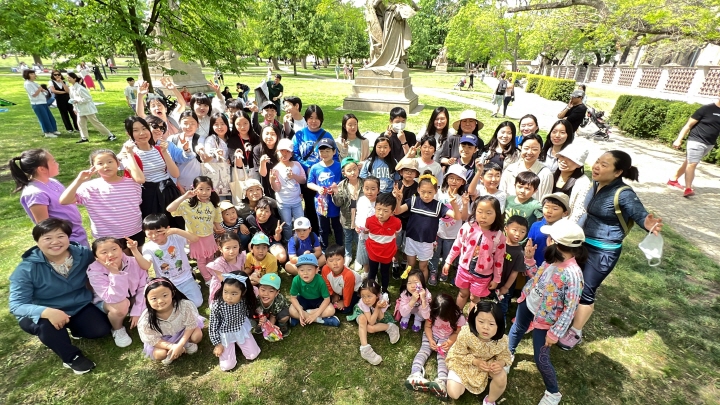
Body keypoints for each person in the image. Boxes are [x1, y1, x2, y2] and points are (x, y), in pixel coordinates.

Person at [559, 151, 662, 351]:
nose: (597, 166)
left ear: (618, 172)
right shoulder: (596, 184)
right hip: (581, 244)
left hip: (603, 252)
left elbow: (637, 211)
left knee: (587, 289)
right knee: (571, 280)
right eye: (598, 161)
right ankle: (565, 314)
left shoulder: (623, 193)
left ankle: (575, 331)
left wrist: (646, 222)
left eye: (604, 165)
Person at [9, 218, 112, 374]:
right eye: (47, 238)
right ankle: (71, 357)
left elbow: (105, 262)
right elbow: (16, 305)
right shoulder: (26, 269)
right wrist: (47, 312)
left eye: (60, 236)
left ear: (68, 237)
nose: (55, 242)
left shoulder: (83, 254)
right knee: (46, 327)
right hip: (42, 311)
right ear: (37, 241)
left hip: (78, 305)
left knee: (100, 330)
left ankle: (74, 328)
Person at [508, 219, 586, 405]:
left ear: (554, 242)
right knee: (517, 328)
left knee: (540, 357)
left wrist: (555, 332)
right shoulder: (552, 260)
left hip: (546, 320)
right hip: (528, 303)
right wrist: (529, 259)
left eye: (549, 237)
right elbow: (536, 277)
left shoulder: (573, 275)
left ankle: (553, 393)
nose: (547, 239)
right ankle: (508, 354)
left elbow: (570, 308)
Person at [60, 148, 145, 244]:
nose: (106, 166)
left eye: (110, 162)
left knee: (136, 258)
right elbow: (64, 200)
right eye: (100, 163)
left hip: (135, 231)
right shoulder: (89, 187)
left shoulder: (132, 183)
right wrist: (79, 180)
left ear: (117, 163)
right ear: (93, 167)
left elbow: (138, 193)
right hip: (106, 237)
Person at [394, 170, 463, 283]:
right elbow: (397, 211)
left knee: (423, 267)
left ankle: (422, 289)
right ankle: (407, 286)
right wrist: (398, 199)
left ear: (435, 191)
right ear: (418, 190)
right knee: (410, 265)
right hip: (411, 240)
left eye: (430, 192)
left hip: (426, 243)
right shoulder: (414, 201)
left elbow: (457, 216)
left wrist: (454, 203)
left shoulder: (438, 206)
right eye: (423, 192)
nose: (426, 195)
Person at [11, 149, 89, 247]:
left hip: (78, 233)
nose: (57, 164)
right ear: (41, 169)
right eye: (53, 161)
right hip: (64, 241)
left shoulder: (52, 181)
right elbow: (45, 226)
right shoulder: (35, 193)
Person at [87, 237, 150, 347]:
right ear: (96, 257)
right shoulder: (94, 271)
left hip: (133, 296)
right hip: (110, 302)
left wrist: (136, 311)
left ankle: (140, 316)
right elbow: (113, 298)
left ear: (121, 249)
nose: (110, 254)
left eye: (114, 249)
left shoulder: (134, 262)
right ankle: (118, 329)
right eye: (104, 252)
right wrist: (115, 274)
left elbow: (143, 287)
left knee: (153, 295)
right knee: (121, 305)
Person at [444, 196, 506, 309]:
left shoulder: (499, 236)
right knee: (462, 294)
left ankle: (472, 319)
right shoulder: (468, 227)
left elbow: (499, 260)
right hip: (464, 269)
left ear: (497, 214)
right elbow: (457, 245)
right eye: (480, 211)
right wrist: (448, 261)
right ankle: (457, 314)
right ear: (474, 211)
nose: (483, 216)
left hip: (482, 275)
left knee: (474, 298)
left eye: (488, 213)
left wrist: (497, 279)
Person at [123, 116, 185, 229]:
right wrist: (130, 155)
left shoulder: (158, 149)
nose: (142, 133)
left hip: (169, 191)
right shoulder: (130, 154)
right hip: (151, 195)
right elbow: (140, 179)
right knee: (158, 229)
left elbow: (175, 174)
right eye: (135, 130)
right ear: (129, 133)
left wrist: (165, 153)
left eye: (144, 128)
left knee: (179, 225)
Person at [445, 302, 510, 404]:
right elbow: (459, 354)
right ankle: (458, 379)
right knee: (454, 393)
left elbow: (504, 355)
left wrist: (500, 363)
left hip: (487, 365)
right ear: (473, 319)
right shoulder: (466, 334)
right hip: (464, 362)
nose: (485, 327)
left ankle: (490, 400)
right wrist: (476, 362)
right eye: (481, 321)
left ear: (499, 324)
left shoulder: (502, 340)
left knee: (501, 377)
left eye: (491, 324)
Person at [405, 293, 465, 400]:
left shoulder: (458, 317)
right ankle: (415, 374)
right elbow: (427, 327)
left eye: (446, 318)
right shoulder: (432, 313)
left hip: (446, 339)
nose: (443, 319)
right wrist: (431, 339)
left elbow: (457, 333)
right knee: (423, 351)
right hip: (431, 335)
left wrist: (449, 342)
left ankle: (441, 382)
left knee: (443, 358)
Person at [167, 176, 223, 285]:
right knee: (201, 260)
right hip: (195, 239)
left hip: (209, 237)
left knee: (210, 258)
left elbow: (217, 221)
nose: (204, 192)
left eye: (207, 189)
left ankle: (211, 274)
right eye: (200, 189)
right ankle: (207, 279)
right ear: (194, 189)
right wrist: (185, 196)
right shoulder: (188, 204)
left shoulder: (213, 204)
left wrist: (219, 230)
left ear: (211, 189)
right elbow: (169, 209)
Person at [137, 278, 204, 365]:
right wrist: (172, 346)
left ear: (172, 293)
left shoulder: (184, 306)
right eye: (154, 298)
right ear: (147, 300)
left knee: (197, 336)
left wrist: (180, 344)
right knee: (160, 354)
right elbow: (152, 339)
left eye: (165, 295)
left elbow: (191, 325)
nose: (160, 301)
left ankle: (187, 343)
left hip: (184, 332)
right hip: (163, 340)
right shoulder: (146, 319)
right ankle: (172, 350)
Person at [293, 105, 338, 232]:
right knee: (309, 202)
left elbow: (335, 155)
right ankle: (313, 228)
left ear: (321, 120)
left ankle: (325, 227)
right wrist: (307, 166)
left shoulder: (326, 135)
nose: (313, 121)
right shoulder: (299, 135)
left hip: (323, 176)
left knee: (324, 200)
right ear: (306, 118)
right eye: (310, 118)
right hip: (305, 175)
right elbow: (295, 154)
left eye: (317, 118)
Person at [142, 214, 203, 307]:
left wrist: (176, 231)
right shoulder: (148, 247)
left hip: (186, 278)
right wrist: (134, 250)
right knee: (168, 306)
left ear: (167, 229)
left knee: (197, 303)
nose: (154, 236)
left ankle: (194, 286)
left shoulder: (176, 237)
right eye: (149, 233)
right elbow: (146, 266)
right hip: (166, 283)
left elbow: (195, 238)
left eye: (158, 231)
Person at [668, 95, 720, 197]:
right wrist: (679, 139)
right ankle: (688, 188)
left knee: (689, 162)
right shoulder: (706, 109)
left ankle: (673, 179)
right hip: (696, 140)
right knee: (692, 164)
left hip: (709, 144)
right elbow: (688, 125)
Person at [209, 272, 261, 370]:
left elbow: (252, 306)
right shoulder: (217, 305)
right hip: (225, 334)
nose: (228, 297)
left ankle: (238, 343)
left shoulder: (244, 300)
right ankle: (232, 345)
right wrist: (218, 344)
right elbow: (213, 326)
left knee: (253, 354)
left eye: (234, 293)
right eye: (225, 292)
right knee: (227, 366)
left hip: (241, 329)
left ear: (243, 292)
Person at [431, 165, 470, 285]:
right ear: (446, 178)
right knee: (434, 253)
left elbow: (464, 217)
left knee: (448, 254)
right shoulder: (439, 193)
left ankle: (444, 270)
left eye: (458, 179)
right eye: (451, 178)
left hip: (453, 234)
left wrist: (464, 204)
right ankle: (433, 271)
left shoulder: (462, 197)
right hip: (437, 231)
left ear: (463, 182)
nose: (454, 181)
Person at [346, 278, 400, 365]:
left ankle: (390, 327)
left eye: (369, 296)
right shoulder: (363, 303)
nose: (366, 300)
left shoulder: (382, 300)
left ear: (377, 295)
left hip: (375, 314)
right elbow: (371, 321)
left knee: (370, 328)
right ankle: (365, 349)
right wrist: (377, 308)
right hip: (362, 312)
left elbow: (381, 317)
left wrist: (378, 307)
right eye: (363, 296)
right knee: (363, 319)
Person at [288, 254, 340, 327]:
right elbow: (293, 298)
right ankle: (320, 320)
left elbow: (327, 299)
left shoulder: (320, 281)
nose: (305, 273)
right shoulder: (296, 280)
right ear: (298, 271)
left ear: (316, 270)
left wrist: (315, 314)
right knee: (291, 310)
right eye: (302, 270)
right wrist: (300, 310)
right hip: (303, 299)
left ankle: (301, 317)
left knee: (331, 310)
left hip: (318, 300)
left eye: (309, 269)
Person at [271, 138, 307, 241]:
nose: (284, 154)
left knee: (300, 222)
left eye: (287, 151)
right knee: (286, 224)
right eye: (281, 151)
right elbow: (277, 188)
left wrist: (294, 176)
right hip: (283, 202)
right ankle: (289, 242)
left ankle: (301, 241)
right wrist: (272, 180)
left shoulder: (297, 165)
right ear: (277, 152)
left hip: (297, 201)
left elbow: (303, 180)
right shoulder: (276, 169)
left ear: (291, 154)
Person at [366, 193, 402, 294]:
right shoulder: (369, 221)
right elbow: (367, 230)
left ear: (392, 212)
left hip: (387, 254)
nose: (381, 213)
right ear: (375, 207)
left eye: (385, 211)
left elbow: (397, 233)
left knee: (384, 272)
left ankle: (384, 290)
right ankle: (370, 290)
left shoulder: (397, 222)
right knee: (372, 271)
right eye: (378, 209)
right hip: (373, 252)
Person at [332, 157, 365, 266]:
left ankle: (359, 258)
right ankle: (348, 255)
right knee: (347, 237)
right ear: (344, 173)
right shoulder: (342, 185)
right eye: (349, 170)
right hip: (346, 216)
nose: (353, 172)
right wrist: (336, 193)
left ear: (358, 169)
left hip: (360, 216)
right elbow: (338, 203)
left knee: (359, 238)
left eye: (354, 169)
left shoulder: (364, 183)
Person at [500, 134, 553, 200]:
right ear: (520, 148)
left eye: (535, 149)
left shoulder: (545, 174)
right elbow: (502, 194)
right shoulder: (510, 169)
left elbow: (545, 201)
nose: (529, 152)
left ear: (540, 151)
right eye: (526, 148)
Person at [66, 72, 116, 143]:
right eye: (67, 78)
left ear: (74, 78)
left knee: (95, 123)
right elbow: (72, 98)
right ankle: (84, 138)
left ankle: (110, 135)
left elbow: (88, 98)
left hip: (87, 109)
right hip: (80, 109)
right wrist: (74, 107)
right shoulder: (71, 88)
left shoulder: (80, 88)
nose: (68, 79)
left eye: (69, 78)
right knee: (80, 123)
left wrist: (77, 101)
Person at [495, 216, 528, 317]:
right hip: (495, 279)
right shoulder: (499, 243)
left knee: (503, 303)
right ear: (506, 228)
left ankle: (501, 320)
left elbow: (515, 272)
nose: (518, 234)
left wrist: (506, 287)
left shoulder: (519, 253)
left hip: (507, 283)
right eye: (514, 230)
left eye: (523, 232)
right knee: (495, 299)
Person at [527, 193, 571, 266]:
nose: (549, 211)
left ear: (565, 213)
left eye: (555, 208)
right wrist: (528, 261)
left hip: (555, 270)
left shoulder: (566, 231)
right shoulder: (535, 226)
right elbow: (529, 246)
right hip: (533, 267)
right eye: (546, 207)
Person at [552, 143, 591, 223]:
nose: (564, 161)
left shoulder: (583, 183)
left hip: (565, 225)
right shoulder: (553, 174)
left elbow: (578, 213)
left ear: (579, 165)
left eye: (570, 159)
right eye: (562, 156)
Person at [321, 244, 362, 315]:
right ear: (326, 262)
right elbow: (327, 284)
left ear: (344, 260)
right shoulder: (325, 269)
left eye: (338, 259)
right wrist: (333, 294)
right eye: (331, 261)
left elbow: (348, 291)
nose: (335, 263)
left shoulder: (348, 275)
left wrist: (344, 302)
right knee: (325, 299)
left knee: (345, 309)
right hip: (339, 289)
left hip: (354, 291)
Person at [245, 197, 287, 264]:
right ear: (256, 209)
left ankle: (269, 256)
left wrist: (277, 233)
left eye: (267, 211)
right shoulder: (250, 219)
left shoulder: (274, 221)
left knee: (282, 258)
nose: (263, 213)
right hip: (257, 242)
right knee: (250, 246)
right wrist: (242, 226)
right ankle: (261, 260)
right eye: (261, 210)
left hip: (271, 242)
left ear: (270, 213)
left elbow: (277, 239)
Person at [206, 233, 247, 303]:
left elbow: (242, 272)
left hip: (238, 282)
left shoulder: (240, 256)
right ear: (220, 249)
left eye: (235, 247)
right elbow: (225, 282)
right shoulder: (218, 264)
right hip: (224, 287)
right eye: (227, 248)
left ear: (239, 246)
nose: (232, 251)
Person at [354, 177, 381, 274]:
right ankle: (366, 271)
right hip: (362, 235)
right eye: (367, 188)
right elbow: (358, 214)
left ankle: (373, 274)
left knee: (374, 255)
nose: (369, 192)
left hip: (375, 236)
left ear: (379, 190)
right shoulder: (361, 200)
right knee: (364, 254)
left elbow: (381, 221)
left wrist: (371, 230)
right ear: (363, 188)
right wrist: (357, 225)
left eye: (373, 189)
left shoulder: (380, 203)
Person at [23, 69, 59, 137]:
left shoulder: (34, 83)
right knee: (44, 118)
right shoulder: (27, 84)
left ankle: (53, 130)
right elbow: (33, 94)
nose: (34, 75)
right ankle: (47, 132)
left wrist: (43, 90)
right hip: (37, 103)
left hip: (43, 102)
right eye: (31, 74)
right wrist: (39, 89)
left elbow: (44, 91)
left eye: (33, 73)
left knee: (49, 117)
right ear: (27, 75)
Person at [254, 125, 280, 199]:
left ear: (277, 135)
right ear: (262, 134)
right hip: (266, 184)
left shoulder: (281, 148)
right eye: (267, 133)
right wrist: (262, 162)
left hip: (281, 182)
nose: (269, 136)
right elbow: (263, 173)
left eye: (272, 134)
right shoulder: (257, 149)